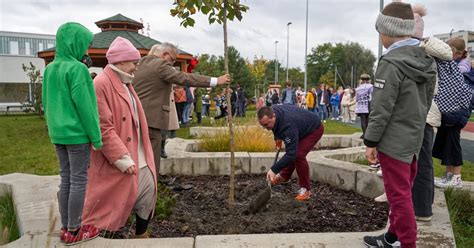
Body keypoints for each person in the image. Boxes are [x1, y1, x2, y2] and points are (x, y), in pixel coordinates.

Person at [362, 2, 437, 247]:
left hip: (393, 141)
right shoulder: (426, 58)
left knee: (398, 197)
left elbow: (381, 109)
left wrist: (371, 141)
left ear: (388, 31)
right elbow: (427, 101)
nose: (380, 36)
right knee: (402, 190)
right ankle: (391, 236)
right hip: (414, 137)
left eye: (380, 31)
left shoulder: (390, 62)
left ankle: (407, 242)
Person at [81, 37, 157, 238]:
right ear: (122, 61)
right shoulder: (101, 84)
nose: (136, 67)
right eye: (134, 63)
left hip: (139, 157)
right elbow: (102, 126)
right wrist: (121, 158)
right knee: (111, 205)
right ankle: (106, 236)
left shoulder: (125, 82)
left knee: (148, 194)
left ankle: (141, 235)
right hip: (123, 159)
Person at [42, 22, 102, 245]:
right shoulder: (77, 69)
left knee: (65, 179)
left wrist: (53, 129)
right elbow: (87, 108)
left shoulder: (49, 69)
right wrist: (96, 137)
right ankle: (76, 230)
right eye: (85, 45)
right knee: (78, 180)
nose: (86, 51)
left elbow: (46, 103)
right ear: (75, 43)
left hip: (58, 134)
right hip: (77, 135)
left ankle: (67, 227)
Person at [133, 42, 230, 176]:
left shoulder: (140, 63)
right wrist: (215, 81)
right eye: (172, 60)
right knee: (152, 164)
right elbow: (184, 77)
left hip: (135, 118)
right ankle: (150, 192)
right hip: (151, 121)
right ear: (164, 54)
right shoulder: (161, 65)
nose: (172, 64)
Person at [257, 105, 324, 201]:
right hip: (299, 127)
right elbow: (275, 126)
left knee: (298, 155)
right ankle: (284, 176)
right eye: (262, 125)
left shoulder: (288, 125)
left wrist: (273, 170)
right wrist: (278, 138)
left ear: (273, 116)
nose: (265, 128)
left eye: (266, 125)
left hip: (313, 129)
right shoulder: (272, 110)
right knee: (294, 152)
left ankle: (306, 190)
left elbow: (291, 154)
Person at [432, 38, 473, 188]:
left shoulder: (464, 69)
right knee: (447, 144)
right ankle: (448, 176)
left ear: (459, 53)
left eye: (450, 51)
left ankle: (456, 178)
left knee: (454, 144)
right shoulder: (455, 65)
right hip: (451, 112)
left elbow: (463, 93)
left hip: (457, 113)